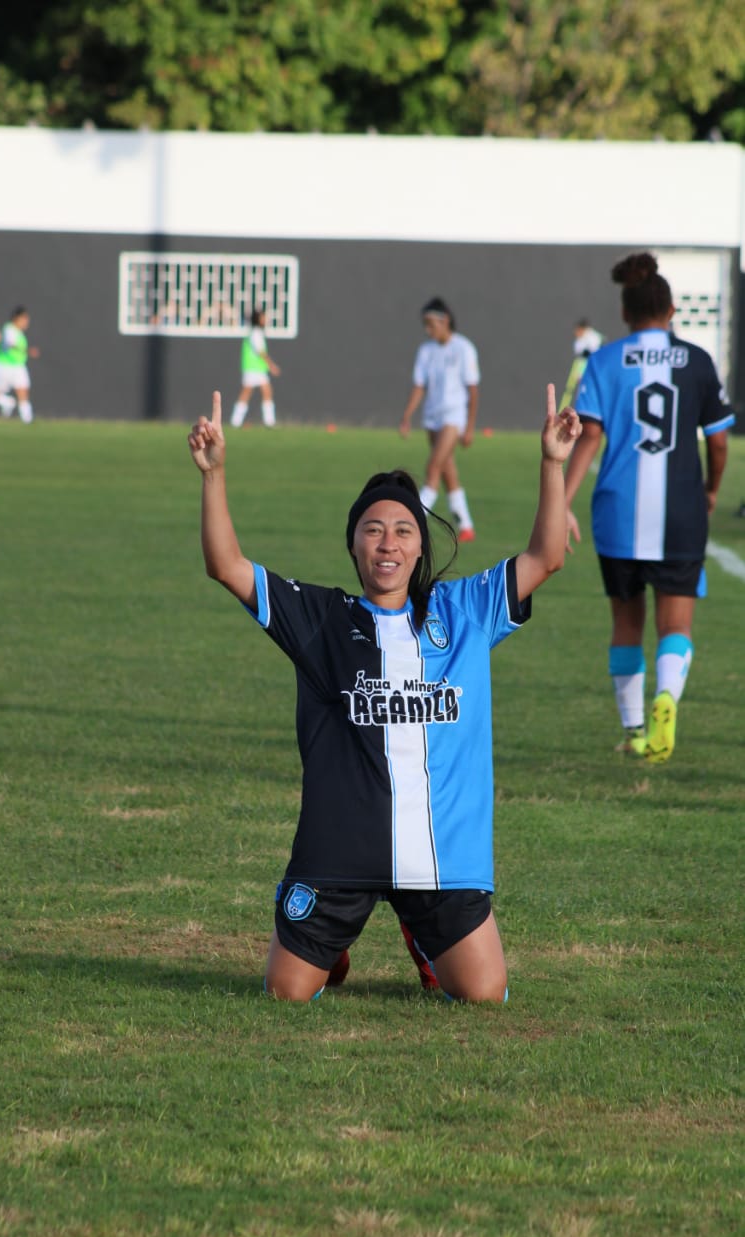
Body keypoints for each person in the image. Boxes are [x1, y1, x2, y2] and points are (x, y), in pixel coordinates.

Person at [188, 384, 582, 1003]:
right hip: (340, 851)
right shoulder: (320, 616)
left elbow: (546, 556)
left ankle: (420, 931)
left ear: (422, 545)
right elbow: (227, 565)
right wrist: (214, 475)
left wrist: (553, 464)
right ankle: (331, 945)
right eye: (373, 530)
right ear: (353, 545)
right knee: (285, 994)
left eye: (403, 530)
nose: (389, 543)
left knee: (482, 997)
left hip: (442, 858)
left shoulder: (465, 610)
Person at [564, 253, 733, 763]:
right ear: (673, 309)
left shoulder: (606, 359)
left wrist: (562, 501)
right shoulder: (698, 361)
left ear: (625, 312)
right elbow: (719, 441)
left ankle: (635, 730)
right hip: (682, 511)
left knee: (626, 623)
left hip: (618, 513)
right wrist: (709, 488)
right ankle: (667, 697)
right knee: (675, 627)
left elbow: (589, 435)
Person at [399, 298, 480, 542]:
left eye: (430, 323)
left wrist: (469, 427)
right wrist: (407, 416)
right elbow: (419, 386)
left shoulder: (464, 348)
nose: (427, 330)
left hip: (453, 417)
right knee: (447, 471)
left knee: (433, 466)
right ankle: (466, 525)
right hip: (432, 417)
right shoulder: (426, 351)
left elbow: (473, 389)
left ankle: (414, 520)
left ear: (444, 320)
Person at [0, 307, 39, 423]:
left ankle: (27, 418)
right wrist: (27, 351)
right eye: (23, 319)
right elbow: (10, 344)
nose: (26, 322)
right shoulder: (9, 329)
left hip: (18, 366)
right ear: (16, 318)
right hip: (5, 366)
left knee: (23, 391)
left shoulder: (19, 332)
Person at [230, 308, 280, 429]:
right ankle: (235, 421)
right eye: (263, 317)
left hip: (258, 369)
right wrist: (271, 365)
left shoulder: (257, 332)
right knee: (246, 393)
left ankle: (269, 421)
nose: (265, 320)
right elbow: (261, 352)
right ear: (258, 319)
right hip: (252, 369)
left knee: (266, 391)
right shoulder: (255, 333)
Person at [559, 318, 605, 411]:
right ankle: (562, 410)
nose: (576, 332)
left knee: (588, 387)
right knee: (571, 388)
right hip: (580, 364)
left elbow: (595, 350)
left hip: (590, 365)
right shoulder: (580, 340)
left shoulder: (593, 337)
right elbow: (578, 351)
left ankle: (586, 410)